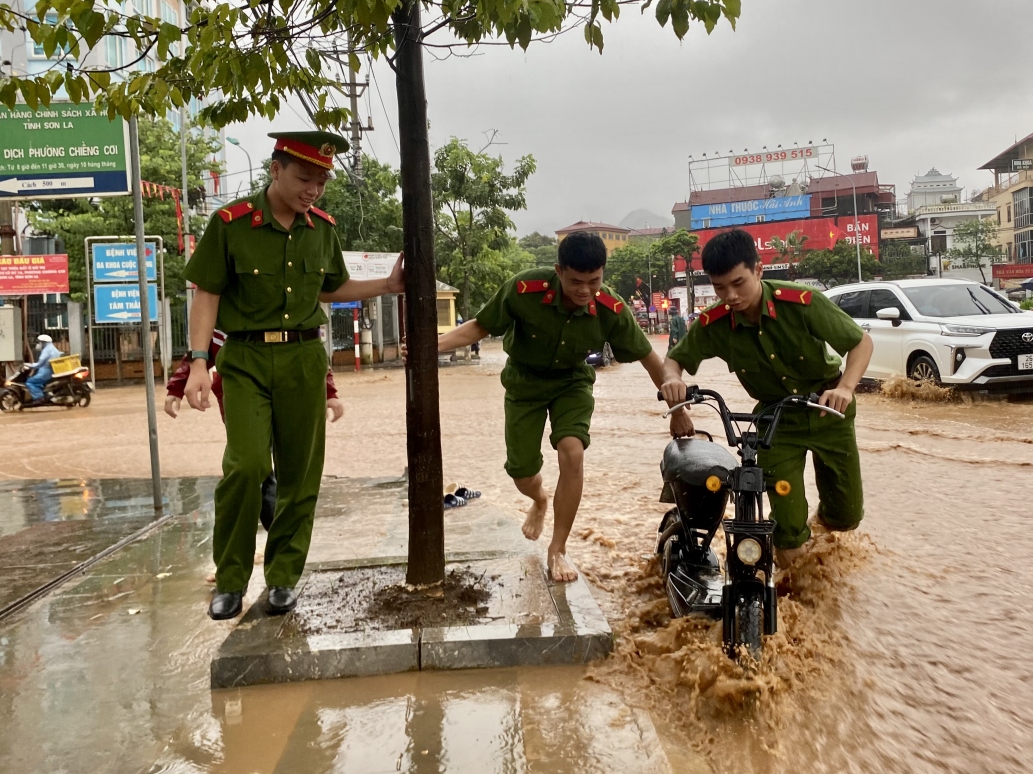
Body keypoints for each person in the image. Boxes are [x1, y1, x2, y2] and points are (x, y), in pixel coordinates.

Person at [182, 130, 405, 621]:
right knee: (244, 467)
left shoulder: (322, 228)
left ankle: (283, 576)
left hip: (304, 360)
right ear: (276, 169)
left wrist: (387, 285)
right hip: (244, 359)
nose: (313, 190)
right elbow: (207, 294)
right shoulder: (230, 223)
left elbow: (332, 286)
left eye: (321, 182)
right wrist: (199, 362)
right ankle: (231, 578)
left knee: (300, 477)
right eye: (305, 178)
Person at [430, 232, 693, 582]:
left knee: (573, 452)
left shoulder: (611, 308)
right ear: (558, 271)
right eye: (575, 282)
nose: (585, 291)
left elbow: (649, 358)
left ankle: (558, 549)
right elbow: (479, 326)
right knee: (522, 473)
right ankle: (539, 500)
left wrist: (678, 411)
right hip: (524, 382)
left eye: (594, 281)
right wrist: (432, 346)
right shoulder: (525, 289)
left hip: (572, 382)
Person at [659, 229, 873, 565]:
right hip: (775, 422)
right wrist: (672, 380)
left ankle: (824, 539)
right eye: (719, 287)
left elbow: (861, 343)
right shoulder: (713, 323)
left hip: (827, 410)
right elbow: (675, 360)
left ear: (759, 270)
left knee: (846, 516)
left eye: (738, 283)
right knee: (787, 531)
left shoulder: (802, 304)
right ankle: (795, 581)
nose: (730, 295)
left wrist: (845, 388)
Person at [163, 329, 345, 530]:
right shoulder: (231, 315)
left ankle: (282, 535)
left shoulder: (291, 315)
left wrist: (329, 392)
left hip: (288, 392)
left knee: (290, 466)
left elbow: (309, 348)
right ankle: (258, 530)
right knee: (253, 465)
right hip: (240, 399)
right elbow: (204, 350)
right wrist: (177, 387)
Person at [25, 334, 62, 403]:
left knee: (30, 382)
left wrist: (29, 365)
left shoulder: (46, 350)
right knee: (38, 382)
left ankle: (38, 397)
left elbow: (39, 364)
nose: (38, 344)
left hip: (45, 372)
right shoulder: (53, 348)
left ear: (43, 342)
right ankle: (45, 395)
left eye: (39, 342)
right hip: (51, 371)